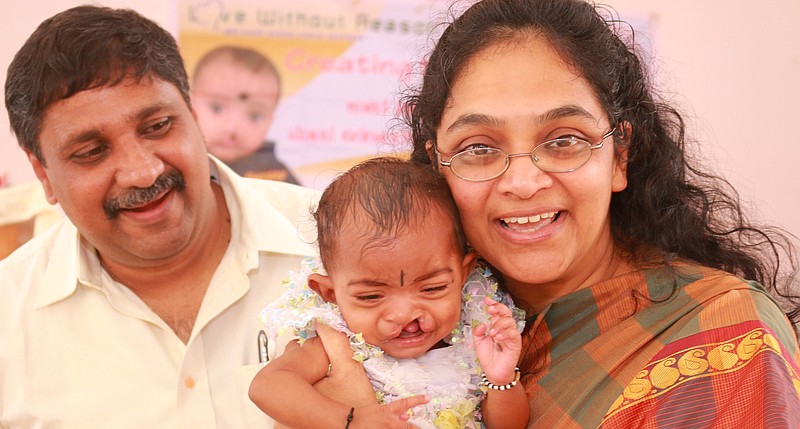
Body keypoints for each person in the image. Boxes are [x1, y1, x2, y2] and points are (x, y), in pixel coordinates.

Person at [392, 0, 800, 427]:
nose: (524, 182)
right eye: (478, 148)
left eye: (564, 140)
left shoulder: (721, 332)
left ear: (620, 155)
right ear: (437, 166)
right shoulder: (406, 320)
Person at [0, 6, 350, 428]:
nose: (142, 171)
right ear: (43, 173)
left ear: (194, 118)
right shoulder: (9, 316)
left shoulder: (337, 238)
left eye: (157, 126)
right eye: (91, 152)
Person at [249, 157, 530, 429]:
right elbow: (268, 386)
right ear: (329, 293)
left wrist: (501, 379)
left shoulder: (476, 337)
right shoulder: (335, 343)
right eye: (371, 297)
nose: (405, 314)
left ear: (464, 274)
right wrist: (349, 420)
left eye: (432, 289)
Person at [192, 45, 300, 184]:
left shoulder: (274, 173)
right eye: (217, 108)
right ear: (189, 103)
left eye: (255, 116)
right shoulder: (181, 162)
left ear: (270, 122)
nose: (232, 128)